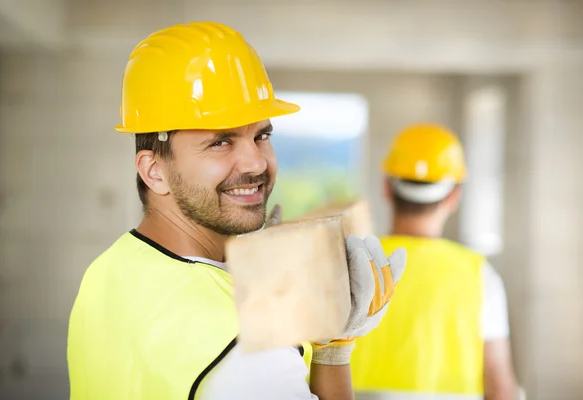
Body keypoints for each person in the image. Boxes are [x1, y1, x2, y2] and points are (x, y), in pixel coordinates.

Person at [67, 22, 407, 400]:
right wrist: (333, 349)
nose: (256, 162)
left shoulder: (107, 272)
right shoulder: (249, 344)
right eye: (220, 141)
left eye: (261, 135)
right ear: (154, 171)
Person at [350, 124, 518, 400]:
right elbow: (500, 389)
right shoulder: (479, 275)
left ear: (387, 188)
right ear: (453, 197)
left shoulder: (350, 262)